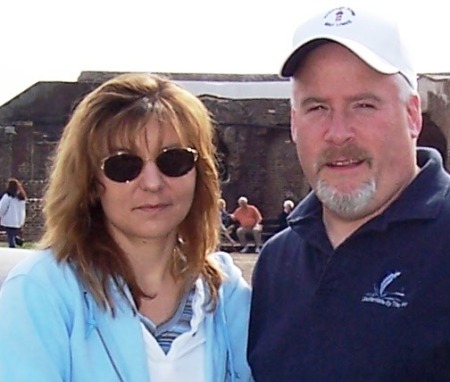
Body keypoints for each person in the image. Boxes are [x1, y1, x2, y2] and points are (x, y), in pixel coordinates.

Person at [0, 73, 253, 381]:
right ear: (90, 182)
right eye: (124, 166)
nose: (152, 183)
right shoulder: (42, 290)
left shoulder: (225, 292)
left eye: (173, 160)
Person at [248, 5, 450, 381]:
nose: (338, 133)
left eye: (363, 105)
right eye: (317, 107)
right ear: (294, 123)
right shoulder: (277, 263)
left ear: (412, 116)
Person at [0, 178, 27, 248]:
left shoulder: (7, 196)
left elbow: (2, 207)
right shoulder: (21, 197)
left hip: (9, 220)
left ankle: (12, 246)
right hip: (18, 220)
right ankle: (17, 241)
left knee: (10, 235)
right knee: (14, 233)